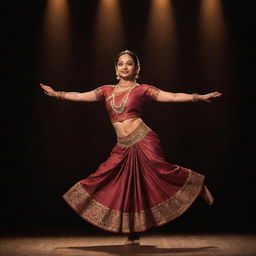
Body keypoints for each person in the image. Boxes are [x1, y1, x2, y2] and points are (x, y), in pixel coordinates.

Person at [40, 50, 222, 245]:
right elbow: (81, 96)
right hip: (123, 145)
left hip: (144, 139)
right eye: (120, 64)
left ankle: (196, 185)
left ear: (136, 68)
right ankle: (133, 232)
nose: (124, 66)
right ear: (116, 68)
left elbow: (173, 96)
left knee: (160, 170)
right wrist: (58, 94)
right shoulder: (106, 90)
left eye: (129, 63)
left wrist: (198, 97)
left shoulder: (142, 89)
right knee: (121, 183)